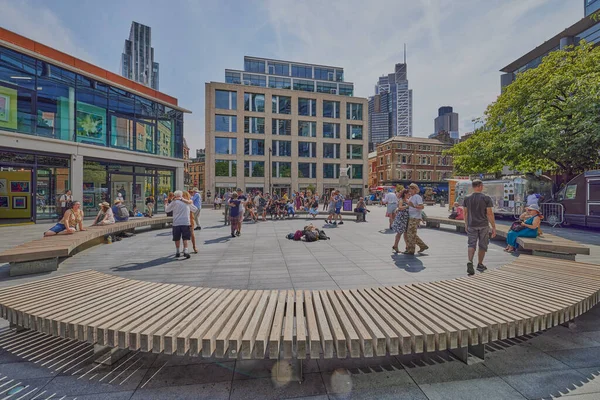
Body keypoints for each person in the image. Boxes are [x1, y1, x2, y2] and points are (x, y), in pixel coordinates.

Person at [463, 180, 496, 275]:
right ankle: (480, 264)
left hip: (471, 224)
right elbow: (489, 213)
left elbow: (465, 212)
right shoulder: (486, 198)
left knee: (471, 244)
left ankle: (470, 261)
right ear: (480, 186)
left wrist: (466, 224)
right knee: (482, 245)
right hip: (483, 225)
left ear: (473, 186)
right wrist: (493, 227)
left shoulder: (467, 198)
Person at [164, 190, 197, 259]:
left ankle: (178, 251)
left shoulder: (174, 202)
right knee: (185, 238)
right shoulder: (186, 202)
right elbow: (195, 209)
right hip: (185, 222)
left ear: (175, 195)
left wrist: (165, 204)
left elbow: (167, 210)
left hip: (176, 223)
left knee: (177, 238)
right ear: (181, 195)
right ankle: (186, 251)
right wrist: (188, 201)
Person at [404, 183, 429, 255]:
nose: (410, 190)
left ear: (415, 190)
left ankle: (411, 250)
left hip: (415, 217)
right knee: (411, 234)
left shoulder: (417, 197)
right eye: (409, 189)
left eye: (411, 189)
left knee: (410, 234)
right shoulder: (412, 197)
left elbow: (422, 206)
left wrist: (414, 206)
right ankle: (422, 245)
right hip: (411, 216)